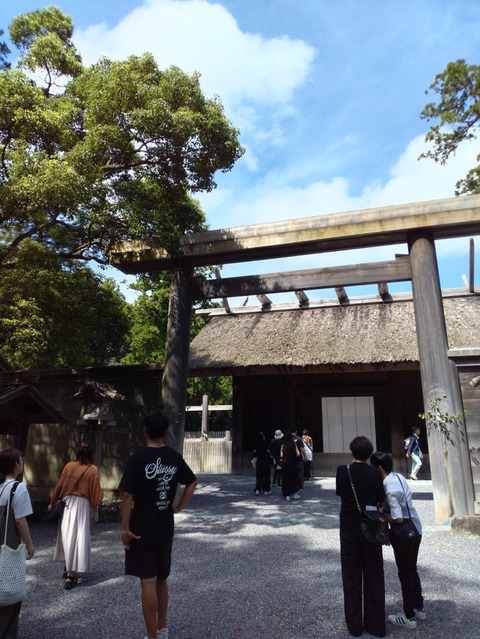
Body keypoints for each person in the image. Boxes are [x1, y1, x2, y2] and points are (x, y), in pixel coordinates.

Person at [119, 411, 198, 639]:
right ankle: (162, 629)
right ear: (165, 431)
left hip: (141, 528)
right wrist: (179, 507)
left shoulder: (137, 459)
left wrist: (125, 529)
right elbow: (192, 482)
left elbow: (127, 495)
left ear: (145, 430)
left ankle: (152, 636)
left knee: (148, 581)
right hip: (164, 525)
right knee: (162, 579)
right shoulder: (173, 457)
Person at [335, 436, 386, 638]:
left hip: (349, 527)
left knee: (351, 576)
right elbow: (381, 498)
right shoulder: (374, 473)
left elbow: (341, 493)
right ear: (369, 453)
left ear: (352, 451)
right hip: (370, 526)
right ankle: (375, 625)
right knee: (374, 574)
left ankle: (354, 626)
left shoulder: (343, 471)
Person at [370, 451, 425, 630]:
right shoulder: (398, 477)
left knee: (405, 573)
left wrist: (382, 516)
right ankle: (418, 607)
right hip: (415, 527)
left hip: (402, 532)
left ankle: (408, 616)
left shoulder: (390, 488)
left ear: (379, 468)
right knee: (412, 569)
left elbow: (398, 517)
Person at [49, 441, 102, 590]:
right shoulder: (93, 470)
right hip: (82, 505)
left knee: (67, 535)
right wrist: (95, 510)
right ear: (91, 453)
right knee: (78, 536)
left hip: (67, 503)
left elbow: (59, 486)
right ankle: (71, 575)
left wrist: (52, 503)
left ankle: (68, 567)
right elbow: (96, 493)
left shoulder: (69, 466)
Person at [0, 448, 35, 639]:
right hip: (9, 546)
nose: (22, 461)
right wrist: (29, 545)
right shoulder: (17, 488)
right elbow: (20, 520)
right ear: (16, 464)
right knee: (10, 595)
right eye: (21, 459)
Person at [280, 432, 302, 500]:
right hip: (293, 463)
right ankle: (294, 494)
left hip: (286, 463)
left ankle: (287, 495)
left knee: (286, 479)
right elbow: (298, 454)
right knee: (294, 478)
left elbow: (281, 455)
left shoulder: (283, 445)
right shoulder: (294, 444)